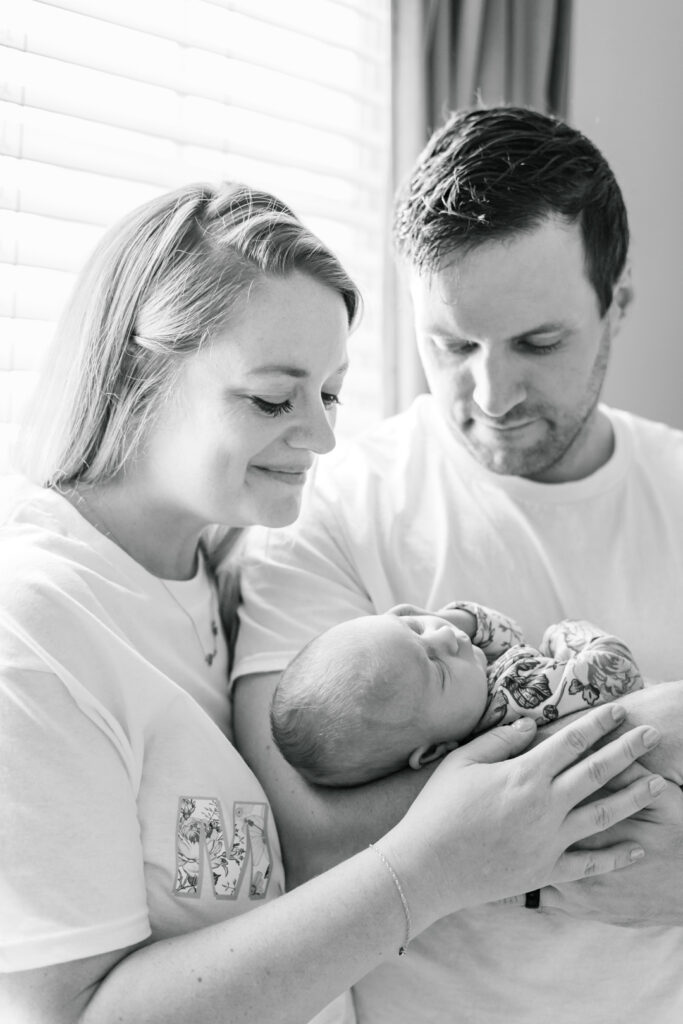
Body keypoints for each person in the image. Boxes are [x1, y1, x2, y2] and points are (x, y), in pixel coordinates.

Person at [0, 181, 662, 1024]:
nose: (319, 437)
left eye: (330, 394)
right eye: (274, 399)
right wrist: (427, 871)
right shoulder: (33, 630)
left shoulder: (214, 575)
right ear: (139, 373)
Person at [230, 106, 683, 1024]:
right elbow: (303, 836)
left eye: (538, 344)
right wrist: (626, 847)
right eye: (452, 345)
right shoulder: (325, 507)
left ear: (617, 305)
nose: (491, 393)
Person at [270, 602, 645, 787]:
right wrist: (563, 633)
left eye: (415, 626)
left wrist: (457, 620)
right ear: (434, 751)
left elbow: (508, 639)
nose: (444, 635)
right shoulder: (518, 699)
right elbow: (618, 668)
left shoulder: (464, 713)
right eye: (436, 665)